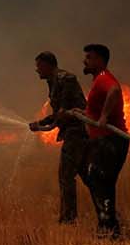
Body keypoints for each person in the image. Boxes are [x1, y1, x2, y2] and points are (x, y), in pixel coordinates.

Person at [28, 51, 89, 223]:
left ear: (48, 65)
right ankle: (106, 213)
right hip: (72, 132)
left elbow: (63, 113)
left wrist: (44, 125)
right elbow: (58, 114)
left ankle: (68, 219)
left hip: (76, 132)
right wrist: (40, 123)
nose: (37, 70)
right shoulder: (53, 81)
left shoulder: (65, 79)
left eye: (39, 66)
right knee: (89, 177)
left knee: (65, 175)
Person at [76, 43, 128, 236]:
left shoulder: (104, 78)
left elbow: (114, 91)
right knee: (94, 177)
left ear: (99, 60)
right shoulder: (98, 80)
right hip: (105, 141)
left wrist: (104, 117)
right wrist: (84, 112)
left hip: (110, 141)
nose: (85, 61)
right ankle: (108, 224)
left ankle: (108, 227)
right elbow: (95, 110)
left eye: (89, 57)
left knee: (98, 178)